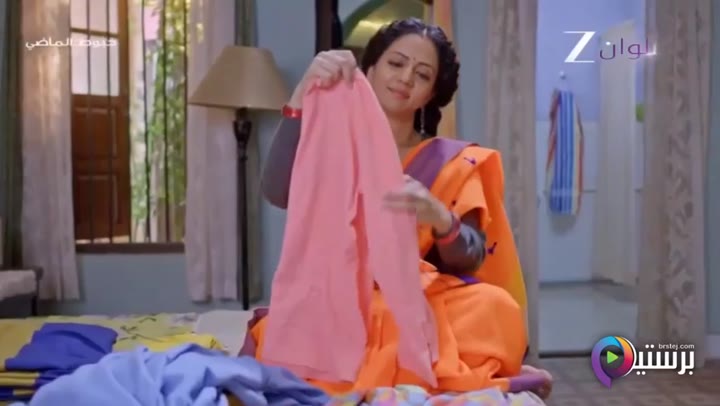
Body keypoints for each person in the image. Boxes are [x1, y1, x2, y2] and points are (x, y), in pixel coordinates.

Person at [249, 17, 552, 399]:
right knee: (305, 319)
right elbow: (278, 191)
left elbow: (472, 257)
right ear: (370, 68)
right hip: (342, 295)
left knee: (495, 307)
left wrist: (439, 218)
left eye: (422, 74)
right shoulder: (334, 147)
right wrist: (299, 98)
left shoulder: (454, 160)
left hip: (424, 300)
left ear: (431, 93)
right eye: (396, 63)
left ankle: (390, 362)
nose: (406, 78)